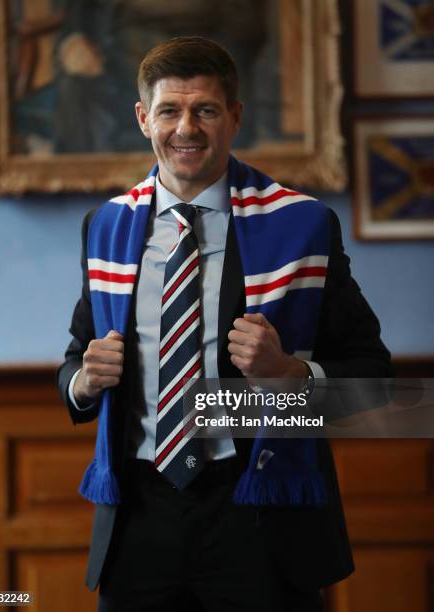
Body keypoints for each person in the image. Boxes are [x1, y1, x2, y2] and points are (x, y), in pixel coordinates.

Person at [58, 36, 392, 612]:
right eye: (169, 110)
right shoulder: (107, 225)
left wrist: (289, 373)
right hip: (138, 516)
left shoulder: (303, 226)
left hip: (258, 514)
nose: (186, 128)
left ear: (234, 117)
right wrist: (84, 381)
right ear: (143, 119)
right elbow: (77, 362)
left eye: (205, 110)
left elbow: (373, 383)